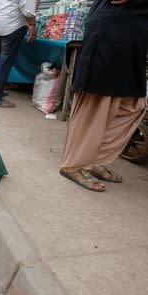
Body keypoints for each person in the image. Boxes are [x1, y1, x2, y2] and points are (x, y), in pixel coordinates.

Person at [60, 0, 147, 192]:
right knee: (98, 104)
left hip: (132, 38)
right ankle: (75, 165)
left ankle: (94, 160)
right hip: (113, 31)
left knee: (131, 104)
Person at [0, 0, 37, 108]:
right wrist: (32, 25)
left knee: (0, 58)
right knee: (5, 61)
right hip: (11, 25)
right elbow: (28, 11)